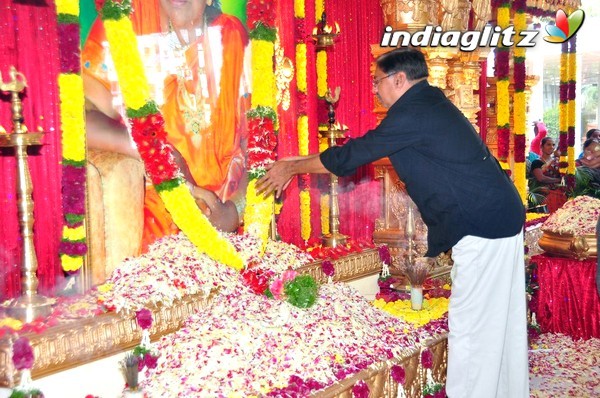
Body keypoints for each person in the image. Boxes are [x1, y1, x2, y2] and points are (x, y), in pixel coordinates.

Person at [257, 48, 528, 398]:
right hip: (497, 216)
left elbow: (354, 154)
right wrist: (294, 162)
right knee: (499, 319)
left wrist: (291, 168)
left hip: (482, 223)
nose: (373, 88)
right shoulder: (426, 104)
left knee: (473, 324)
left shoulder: (414, 111)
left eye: (377, 81)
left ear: (399, 79)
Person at [82, 0, 249, 249]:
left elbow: (255, 143)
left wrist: (235, 210)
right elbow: (81, 117)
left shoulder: (231, 36)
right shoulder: (120, 24)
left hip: (228, 223)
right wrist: (160, 154)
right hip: (152, 221)